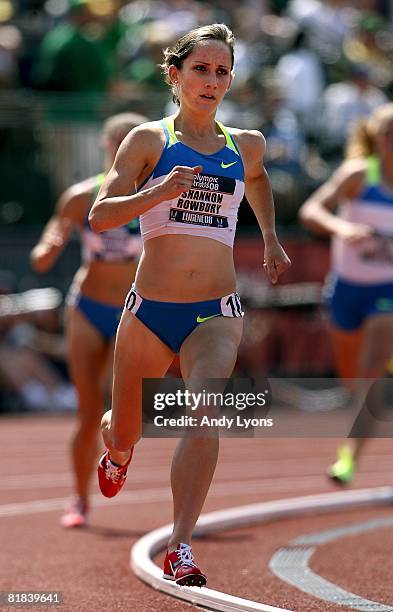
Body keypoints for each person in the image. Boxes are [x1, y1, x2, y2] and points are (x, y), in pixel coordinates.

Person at [89, 23, 290, 586]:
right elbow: (100, 215)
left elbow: (258, 178)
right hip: (150, 312)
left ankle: (180, 545)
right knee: (124, 430)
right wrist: (157, 191)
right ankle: (119, 453)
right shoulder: (148, 141)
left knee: (204, 411)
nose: (212, 80)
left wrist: (270, 237)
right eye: (200, 69)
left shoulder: (243, 144)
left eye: (222, 71)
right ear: (175, 76)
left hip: (215, 312)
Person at [30, 112, 148, 527]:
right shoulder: (84, 195)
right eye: (115, 141)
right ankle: (79, 500)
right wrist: (51, 245)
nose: (121, 149)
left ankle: (117, 450)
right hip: (87, 306)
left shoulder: (155, 197)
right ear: (106, 147)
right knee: (86, 408)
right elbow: (51, 237)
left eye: (128, 141)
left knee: (121, 405)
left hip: (131, 311)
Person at [299, 103, 393, 484]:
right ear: (376, 137)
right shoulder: (359, 175)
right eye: (387, 133)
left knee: (370, 373)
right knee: (352, 380)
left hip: (386, 290)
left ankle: (349, 458)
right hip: (345, 290)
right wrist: (340, 228)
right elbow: (311, 210)